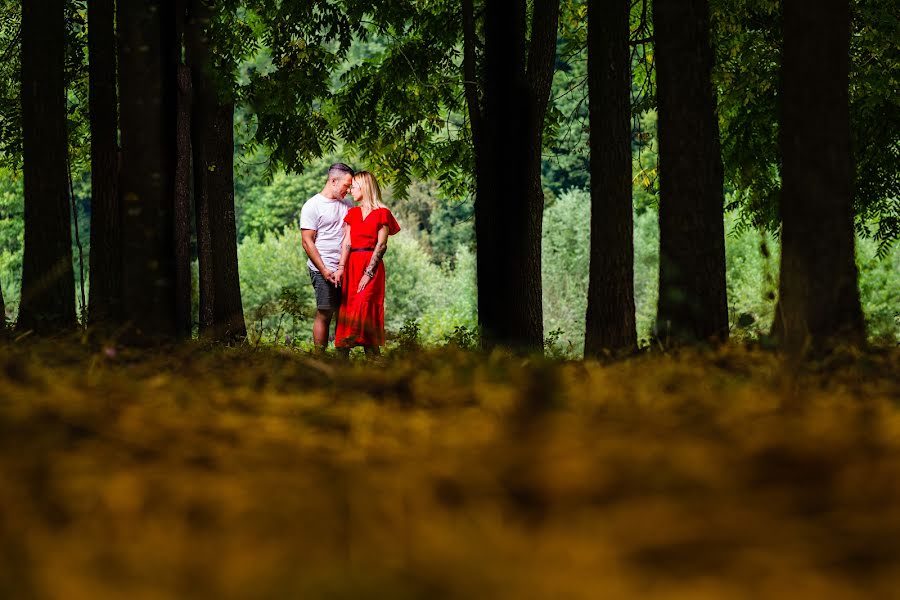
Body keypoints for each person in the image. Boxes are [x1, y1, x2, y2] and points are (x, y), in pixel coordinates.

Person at [334, 171, 400, 357]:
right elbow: (346, 243)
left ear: (364, 188)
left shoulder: (382, 213)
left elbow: (381, 245)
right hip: (352, 266)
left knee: (364, 305)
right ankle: (343, 358)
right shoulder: (352, 213)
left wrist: (368, 273)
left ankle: (370, 355)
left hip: (371, 266)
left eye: (353, 187)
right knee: (349, 307)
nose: (350, 190)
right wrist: (340, 268)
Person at [300, 163, 355, 351]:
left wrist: (343, 266)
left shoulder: (348, 205)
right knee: (325, 312)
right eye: (346, 186)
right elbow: (307, 242)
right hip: (322, 268)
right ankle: (320, 357)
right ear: (333, 181)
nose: (349, 190)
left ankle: (342, 358)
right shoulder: (312, 206)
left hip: (345, 268)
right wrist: (324, 270)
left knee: (345, 314)